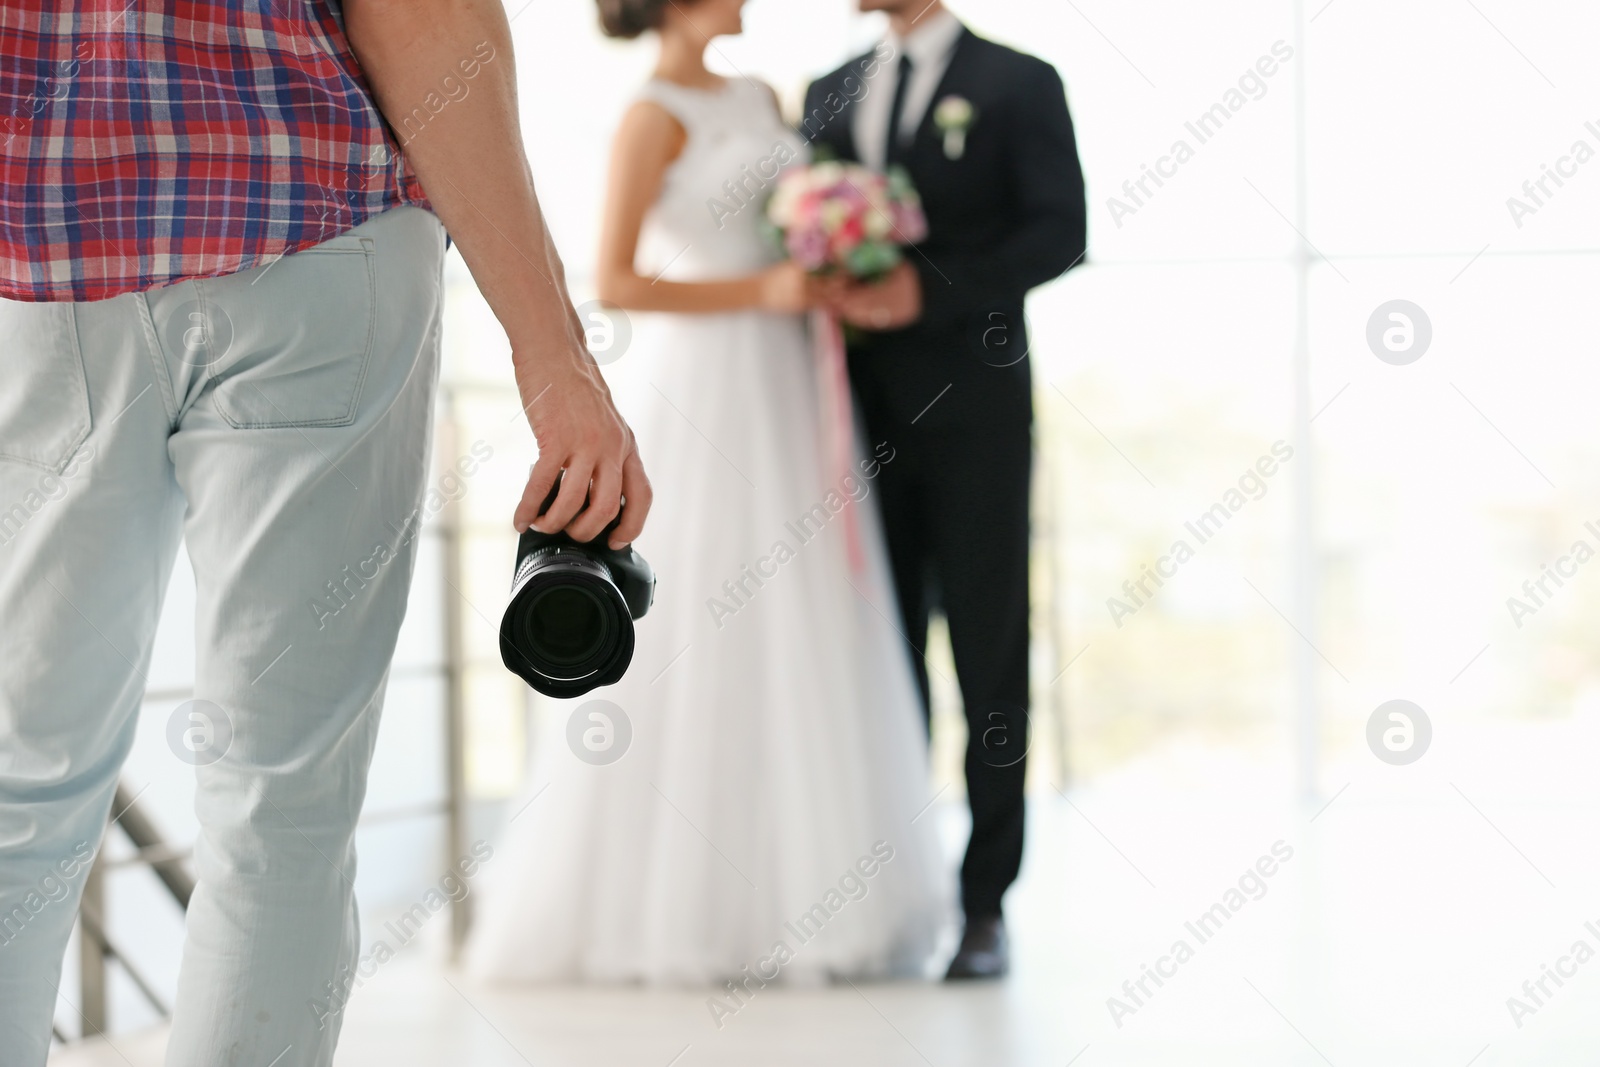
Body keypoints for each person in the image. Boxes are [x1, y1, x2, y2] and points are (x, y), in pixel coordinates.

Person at [0, 1, 648, 1063]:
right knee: (281, 797)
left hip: (45, 253)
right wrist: (552, 353)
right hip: (312, 229)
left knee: (20, 787)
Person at [465, 0, 950, 986]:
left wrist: (825, 264)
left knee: (809, 615)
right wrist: (760, 293)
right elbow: (620, 278)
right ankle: (676, 908)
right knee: (707, 614)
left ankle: (819, 889)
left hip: (788, 379)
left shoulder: (758, 95)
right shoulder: (650, 114)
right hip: (710, 384)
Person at [805, 0, 1088, 979]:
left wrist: (929, 288)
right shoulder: (827, 91)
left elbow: (1060, 231)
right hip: (856, 416)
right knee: (881, 653)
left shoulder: (1018, 81)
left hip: (976, 415)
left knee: (987, 650)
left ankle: (984, 901)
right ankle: (895, 882)